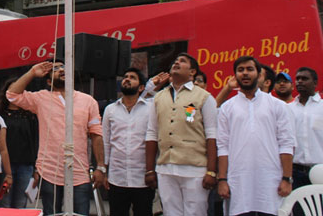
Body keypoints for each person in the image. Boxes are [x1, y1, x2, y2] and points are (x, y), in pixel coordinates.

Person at [7, 60, 105, 216]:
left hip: (79, 170)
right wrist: (32, 72)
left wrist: (101, 166)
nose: (60, 70)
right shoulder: (41, 98)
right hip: (49, 170)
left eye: (63, 68)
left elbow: (96, 134)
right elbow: (12, 95)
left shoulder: (88, 101)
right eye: (55, 69)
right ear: (48, 81)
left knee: (81, 213)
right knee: (51, 213)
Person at [217, 56, 295, 216]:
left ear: (259, 75)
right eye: (240, 70)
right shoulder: (227, 108)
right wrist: (222, 180)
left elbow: (286, 143)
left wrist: (287, 178)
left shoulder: (277, 106)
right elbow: (223, 146)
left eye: (249, 69)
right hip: (238, 182)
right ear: (235, 75)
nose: (245, 73)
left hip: (270, 181)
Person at [145, 53, 218, 216]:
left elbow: (212, 135)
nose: (176, 63)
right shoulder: (159, 97)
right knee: (171, 212)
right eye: (175, 61)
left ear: (192, 72)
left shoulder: (204, 97)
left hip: (195, 169)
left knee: (196, 213)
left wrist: (212, 171)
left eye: (182, 61)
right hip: (165, 168)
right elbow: (151, 133)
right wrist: (150, 170)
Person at [102, 68, 154, 216]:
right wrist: (105, 170)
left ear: (142, 87)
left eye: (132, 77)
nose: (127, 79)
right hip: (117, 178)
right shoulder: (110, 110)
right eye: (125, 77)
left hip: (143, 178)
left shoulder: (150, 109)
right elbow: (106, 141)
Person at [0, 77, 39, 209]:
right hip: (4, 164)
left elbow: (35, 140)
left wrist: (36, 167)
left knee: (20, 203)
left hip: (25, 165)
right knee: (4, 202)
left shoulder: (30, 115)